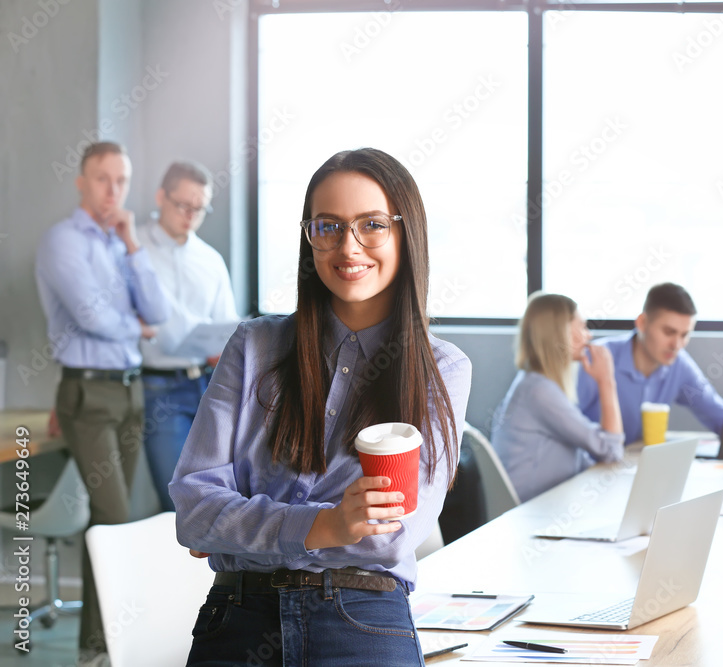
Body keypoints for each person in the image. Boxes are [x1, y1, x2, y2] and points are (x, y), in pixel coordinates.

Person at [170, 148, 472, 666]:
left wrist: (239, 534)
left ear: (406, 233)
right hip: (237, 617)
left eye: (372, 224)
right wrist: (330, 524)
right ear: (309, 237)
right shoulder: (254, 347)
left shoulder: (440, 369)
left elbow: (388, 538)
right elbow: (194, 510)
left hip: (360, 617)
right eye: (328, 226)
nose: (348, 246)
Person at [35, 141, 168, 660]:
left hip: (130, 389)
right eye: (102, 179)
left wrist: (133, 244)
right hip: (87, 390)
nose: (113, 190)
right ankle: (100, 647)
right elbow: (92, 317)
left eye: (122, 180)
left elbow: (157, 310)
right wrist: (135, 327)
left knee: (115, 520)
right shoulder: (60, 241)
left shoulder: (120, 244)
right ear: (82, 182)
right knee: (112, 518)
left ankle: (100, 642)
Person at [137, 160, 239, 511]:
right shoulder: (132, 248)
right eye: (183, 205)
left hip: (208, 386)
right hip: (159, 388)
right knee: (176, 501)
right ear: (161, 197)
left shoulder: (210, 260)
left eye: (199, 209)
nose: (191, 215)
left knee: (217, 493)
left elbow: (226, 324)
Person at [577, 283, 723, 450]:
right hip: (591, 469)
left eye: (684, 335)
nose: (677, 345)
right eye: (668, 332)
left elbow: (715, 411)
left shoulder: (678, 364)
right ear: (642, 323)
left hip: (630, 468)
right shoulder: (595, 359)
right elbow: (568, 424)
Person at [491, 292, 624, 502]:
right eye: (582, 327)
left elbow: (585, 456)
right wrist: (607, 381)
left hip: (549, 504)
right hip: (531, 511)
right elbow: (610, 450)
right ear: (560, 334)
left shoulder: (535, 383)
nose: (588, 335)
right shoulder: (539, 391)